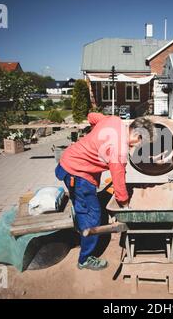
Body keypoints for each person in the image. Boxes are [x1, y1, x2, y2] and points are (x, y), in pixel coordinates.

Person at [55, 113, 154, 271]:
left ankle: (80, 221)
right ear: (137, 135)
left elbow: (92, 116)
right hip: (78, 174)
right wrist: (125, 206)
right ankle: (84, 259)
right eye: (139, 143)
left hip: (70, 160)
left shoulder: (115, 121)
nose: (136, 146)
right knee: (92, 216)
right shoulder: (119, 150)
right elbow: (119, 184)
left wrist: (96, 139)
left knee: (84, 208)